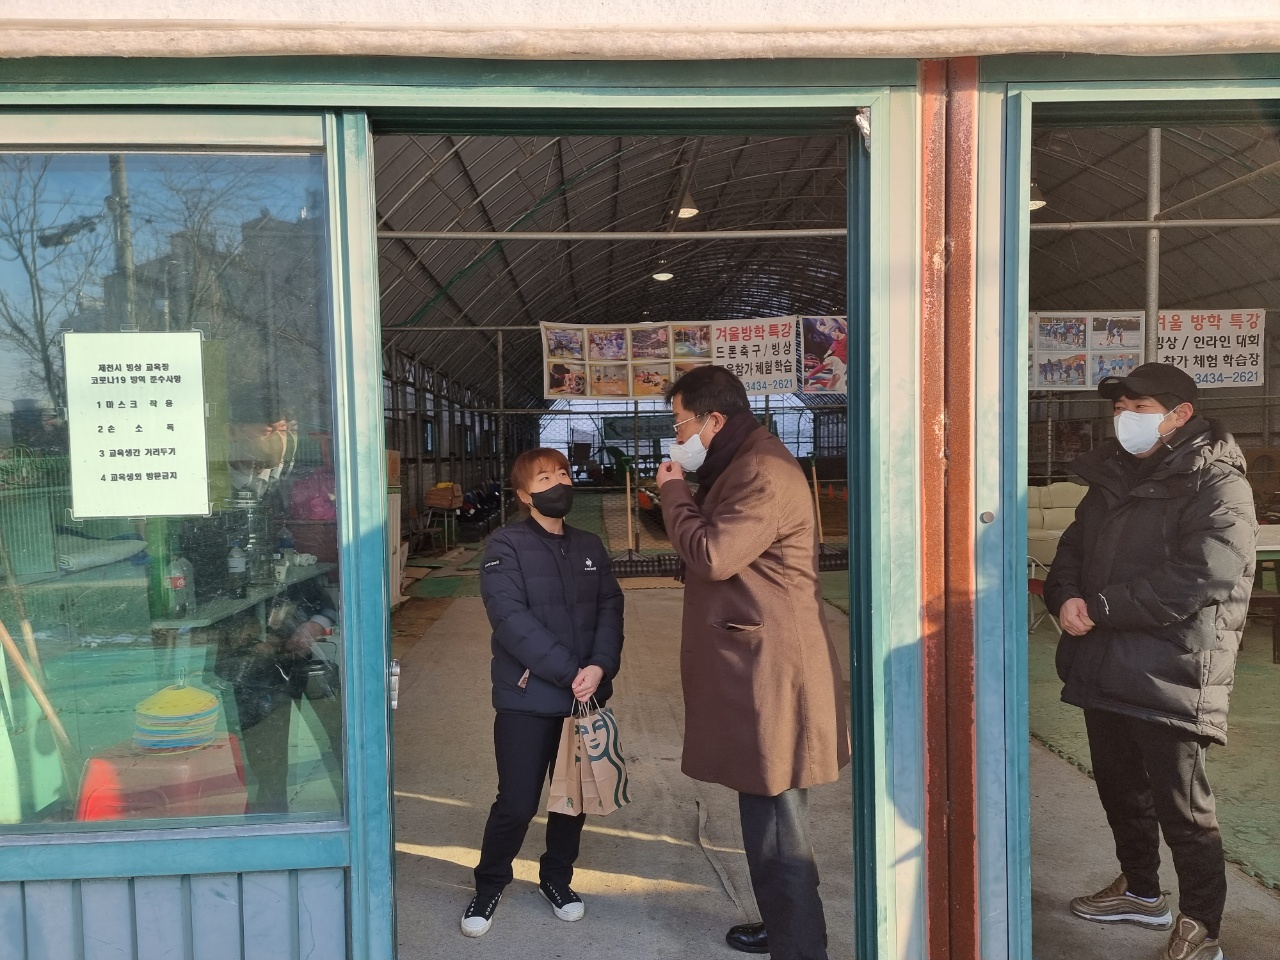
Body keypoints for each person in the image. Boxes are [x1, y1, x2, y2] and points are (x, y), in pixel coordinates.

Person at [1045, 362, 1255, 960]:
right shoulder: (1112, 476)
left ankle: (1203, 926)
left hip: (1172, 670)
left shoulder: (1219, 483)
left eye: (1139, 409)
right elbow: (1072, 550)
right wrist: (1065, 597)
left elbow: (1204, 573)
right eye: (1119, 409)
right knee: (1120, 789)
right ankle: (1141, 891)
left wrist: (1102, 606)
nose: (1125, 419)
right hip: (1106, 660)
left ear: (1180, 414)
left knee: (1184, 808)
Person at [655, 366, 850, 960]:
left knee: (778, 823)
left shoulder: (761, 471)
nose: (676, 435)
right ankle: (783, 924)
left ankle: (800, 946)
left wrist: (673, 492)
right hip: (758, 666)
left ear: (713, 420)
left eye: (680, 423)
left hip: (775, 673)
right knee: (766, 813)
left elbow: (713, 554)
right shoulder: (740, 462)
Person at [461, 448, 624, 938]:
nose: (559, 483)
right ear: (524, 495)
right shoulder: (505, 546)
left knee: (572, 798)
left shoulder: (590, 545)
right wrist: (571, 670)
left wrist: (600, 665)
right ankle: (490, 883)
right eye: (545, 477)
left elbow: (610, 608)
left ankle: (556, 879)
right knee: (515, 802)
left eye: (564, 474)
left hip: (582, 698)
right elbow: (510, 619)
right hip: (527, 698)